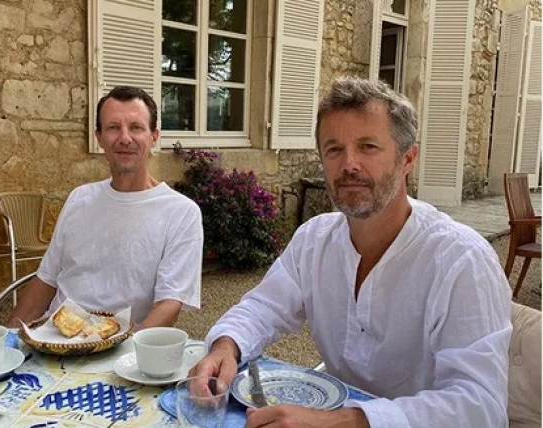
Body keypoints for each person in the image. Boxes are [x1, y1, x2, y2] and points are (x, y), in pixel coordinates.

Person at [190, 78, 512, 428]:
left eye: (368, 146)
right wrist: (226, 346)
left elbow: (481, 406)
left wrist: (345, 422)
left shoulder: (461, 260)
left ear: (408, 158)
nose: (349, 165)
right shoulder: (315, 239)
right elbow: (262, 308)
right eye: (334, 149)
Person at [6, 86, 203, 330]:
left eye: (136, 127)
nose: (125, 138)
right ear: (99, 137)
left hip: (119, 344)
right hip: (53, 338)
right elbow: (45, 281)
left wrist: (124, 354)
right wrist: (8, 341)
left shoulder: (180, 213)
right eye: (113, 128)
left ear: (154, 136)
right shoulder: (80, 198)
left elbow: (168, 305)